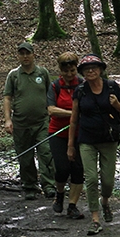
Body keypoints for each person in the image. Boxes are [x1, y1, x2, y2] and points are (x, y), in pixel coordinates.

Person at [68, 54, 120, 236]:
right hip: (87, 140)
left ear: (101, 69)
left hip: (109, 140)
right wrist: (70, 146)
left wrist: (116, 104)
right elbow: (73, 120)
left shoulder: (111, 87)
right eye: (87, 69)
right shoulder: (80, 91)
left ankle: (105, 201)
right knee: (92, 179)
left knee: (108, 181)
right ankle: (95, 219)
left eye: (94, 68)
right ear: (83, 73)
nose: (91, 71)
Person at [3, 41, 55, 200]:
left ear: (33, 54)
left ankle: (49, 186)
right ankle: (30, 186)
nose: (25, 56)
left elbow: (50, 93)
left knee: (46, 153)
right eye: (22, 54)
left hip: (42, 122)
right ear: (18, 56)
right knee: (25, 157)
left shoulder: (42, 73)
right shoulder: (13, 75)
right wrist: (7, 119)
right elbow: (7, 98)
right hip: (20, 124)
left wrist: (52, 112)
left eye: (28, 53)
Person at [47, 52, 85, 219]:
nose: (69, 74)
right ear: (60, 71)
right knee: (62, 168)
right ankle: (60, 193)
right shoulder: (55, 86)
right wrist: (73, 113)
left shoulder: (83, 84)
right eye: (66, 71)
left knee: (78, 169)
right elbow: (51, 110)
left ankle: (72, 205)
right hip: (58, 132)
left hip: (79, 134)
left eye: (72, 70)